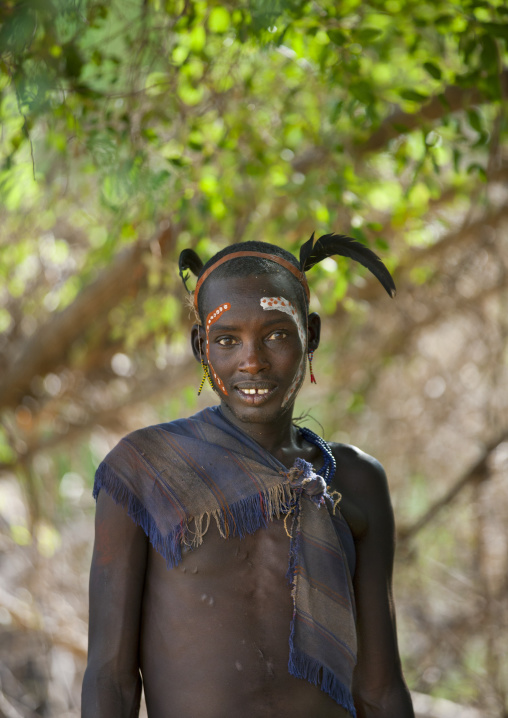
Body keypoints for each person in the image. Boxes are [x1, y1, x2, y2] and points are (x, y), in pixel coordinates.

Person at [82, 233, 415, 718]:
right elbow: (110, 677)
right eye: (227, 339)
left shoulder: (354, 478)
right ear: (201, 347)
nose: (252, 360)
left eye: (277, 334)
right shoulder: (144, 469)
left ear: (312, 335)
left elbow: (380, 689)